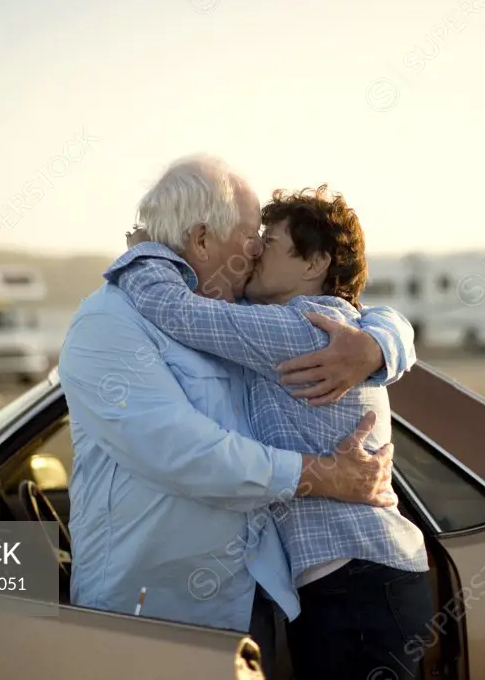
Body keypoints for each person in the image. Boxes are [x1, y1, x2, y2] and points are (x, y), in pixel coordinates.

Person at [57, 155, 418, 676]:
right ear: (203, 241)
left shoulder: (240, 316)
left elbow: (358, 310)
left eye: (265, 240)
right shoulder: (110, 322)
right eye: (252, 237)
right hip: (154, 611)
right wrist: (321, 476)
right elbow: (181, 450)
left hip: (254, 605)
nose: (255, 250)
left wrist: (380, 345)